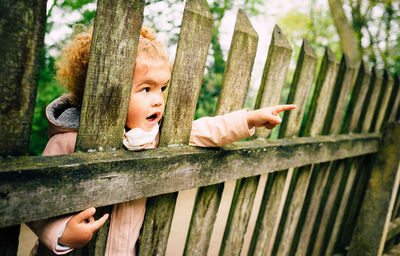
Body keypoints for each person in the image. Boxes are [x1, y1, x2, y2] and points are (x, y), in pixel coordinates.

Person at [28, 25, 296, 255]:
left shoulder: (157, 135)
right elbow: (35, 199)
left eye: (162, 88)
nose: (158, 99)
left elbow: (206, 129)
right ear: (103, 89)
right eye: (146, 88)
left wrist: (248, 119)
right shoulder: (68, 139)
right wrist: (61, 235)